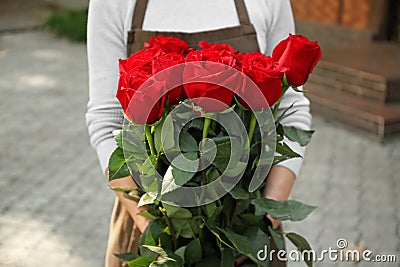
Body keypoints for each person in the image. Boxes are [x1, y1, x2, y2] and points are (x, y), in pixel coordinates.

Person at [86, 0, 312, 266]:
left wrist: (261, 222)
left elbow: (292, 109)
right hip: (147, 231)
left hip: (247, 234)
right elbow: (107, 120)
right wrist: (162, 237)